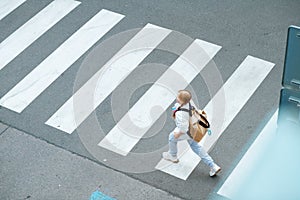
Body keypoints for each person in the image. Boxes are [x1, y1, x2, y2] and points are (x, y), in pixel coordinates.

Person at [162, 89, 221, 177]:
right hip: (193, 128)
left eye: (178, 97)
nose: (176, 98)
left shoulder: (180, 114)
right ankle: (212, 165)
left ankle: (172, 156)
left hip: (188, 131)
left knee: (172, 137)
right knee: (196, 147)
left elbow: (183, 128)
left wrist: (178, 134)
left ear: (181, 100)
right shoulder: (189, 104)